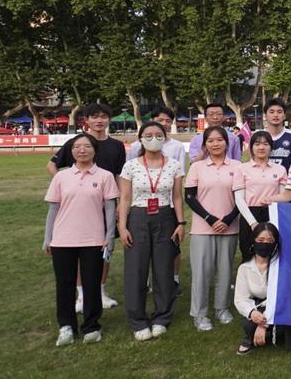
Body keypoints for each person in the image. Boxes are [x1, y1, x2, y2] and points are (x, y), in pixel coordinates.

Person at [47, 102, 126, 311]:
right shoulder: (76, 143)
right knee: (78, 248)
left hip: (106, 204)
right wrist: (66, 183)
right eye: (94, 117)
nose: (99, 120)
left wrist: (121, 203)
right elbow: (51, 165)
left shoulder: (116, 146)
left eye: (103, 116)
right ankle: (81, 296)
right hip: (79, 208)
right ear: (87, 120)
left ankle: (100, 291)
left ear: (109, 120)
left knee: (105, 248)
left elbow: (119, 175)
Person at [43, 133, 118, 346]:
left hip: (94, 240)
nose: (82, 150)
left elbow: (110, 208)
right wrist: (48, 237)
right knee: (64, 284)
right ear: (71, 151)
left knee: (92, 284)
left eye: (87, 146)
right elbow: (53, 209)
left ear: (95, 150)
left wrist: (109, 236)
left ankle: (91, 326)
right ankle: (66, 326)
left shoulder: (105, 176)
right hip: (62, 240)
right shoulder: (61, 177)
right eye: (77, 147)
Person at [118, 122, 187, 340]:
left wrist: (181, 223)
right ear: (140, 139)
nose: (153, 138)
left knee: (164, 270)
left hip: (165, 217)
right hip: (138, 218)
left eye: (158, 134)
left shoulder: (174, 165)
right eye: (148, 135)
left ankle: (162, 317)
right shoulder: (131, 166)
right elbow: (125, 199)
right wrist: (122, 227)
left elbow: (177, 197)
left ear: (165, 138)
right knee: (136, 270)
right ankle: (138, 320)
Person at [184, 126, 242, 331]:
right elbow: (189, 197)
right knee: (201, 273)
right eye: (210, 141)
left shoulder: (237, 166)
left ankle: (221, 308)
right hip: (202, 227)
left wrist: (227, 220)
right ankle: (199, 313)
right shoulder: (197, 167)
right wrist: (210, 219)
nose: (215, 144)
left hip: (229, 227)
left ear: (227, 142)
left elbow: (242, 198)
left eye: (219, 140)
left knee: (225, 271)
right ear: (204, 145)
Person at [234, 223, 291, 355]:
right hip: (259, 305)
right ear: (253, 241)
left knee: (289, 313)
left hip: (282, 305)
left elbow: (286, 295)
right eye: (261, 240)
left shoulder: (283, 265)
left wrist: (263, 324)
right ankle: (249, 339)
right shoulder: (244, 268)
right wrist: (252, 313)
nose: (265, 244)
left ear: (275, 244)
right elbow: (240, 299)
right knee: (248, 323)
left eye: (270, 241)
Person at [233, 131, 287, 258]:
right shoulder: (242, 169)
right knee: (248, 252)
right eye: (257, 144)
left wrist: (271, 199)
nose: (261, 147)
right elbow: (239, 199)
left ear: (271, 147)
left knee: (273, 253)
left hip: (272, 214)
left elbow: (284, 196)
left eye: (265, 144)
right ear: (251, 147)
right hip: (249, 215)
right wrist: (253, 223)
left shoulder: (280, 169)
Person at [263, 98, 291, 171]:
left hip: (287, 177)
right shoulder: (257, 137)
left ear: (284, 116)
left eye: (279, 112)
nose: (276, 115)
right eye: (272, 112)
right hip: (263, 178)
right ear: (265, 116)